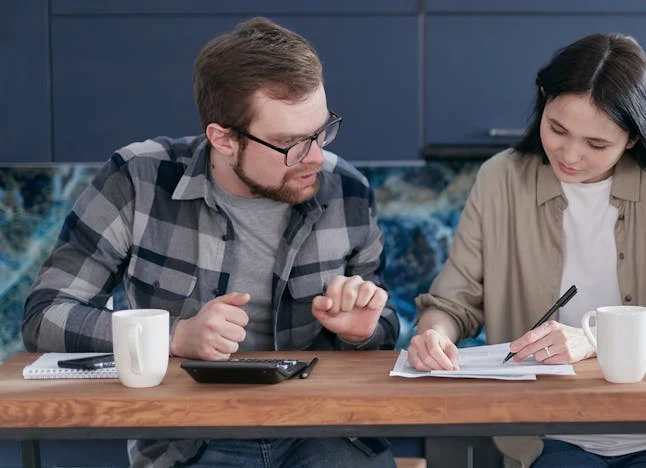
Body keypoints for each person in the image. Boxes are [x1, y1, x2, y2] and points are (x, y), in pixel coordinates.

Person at [22, 17, 399, 468]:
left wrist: (365, 329)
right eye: (290, 143)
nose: (315, 157)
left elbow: (386, 329)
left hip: (325, 431)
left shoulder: (348, 191)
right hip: (187, 440)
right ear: (222, 138)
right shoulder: (138, 180)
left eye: (321, 131)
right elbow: (45, 316)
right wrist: (175, 336)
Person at [408, 33, 646, 468]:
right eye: (557, 128)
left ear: (634, 139)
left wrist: (595, 341)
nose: (570, 155)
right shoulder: (501, 179)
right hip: (547, 434)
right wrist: (433, 335)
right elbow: (453, 302)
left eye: (597, 144)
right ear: (543, 98)